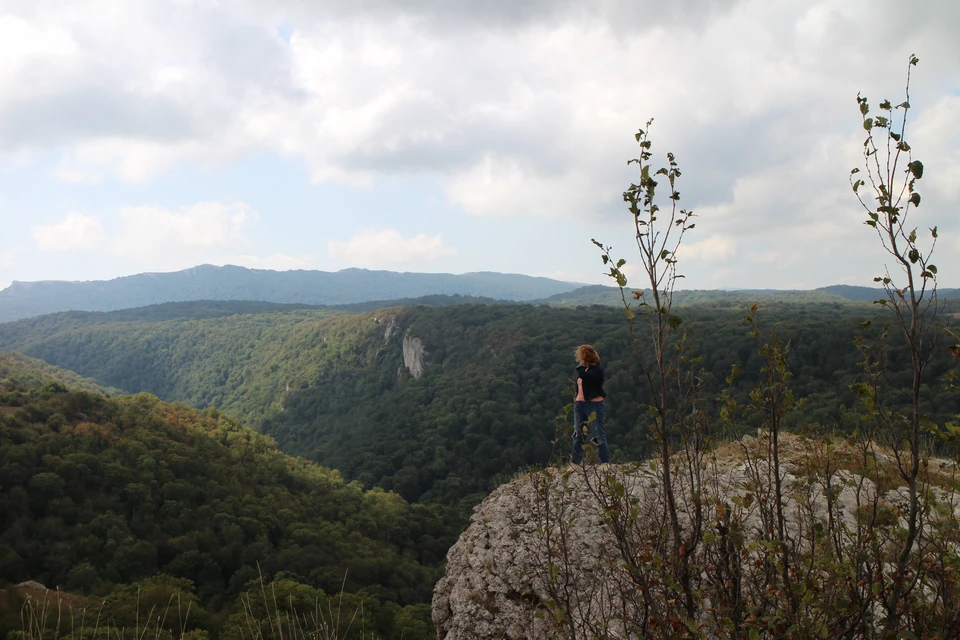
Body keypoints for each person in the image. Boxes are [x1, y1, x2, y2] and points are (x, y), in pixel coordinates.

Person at [571, 344, 609, 464]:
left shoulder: (597, 370)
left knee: (597, 434)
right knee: (578, 434)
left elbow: (584, 376)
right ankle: (575, 463)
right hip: (580, 404)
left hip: (593, 405)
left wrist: (582, 366)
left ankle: (604, 462)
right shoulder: (586, 370)